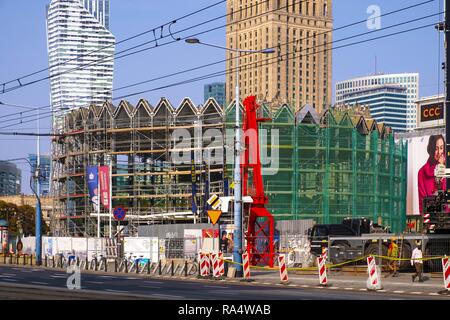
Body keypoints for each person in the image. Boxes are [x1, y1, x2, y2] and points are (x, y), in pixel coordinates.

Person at [418, 135, 446, 214]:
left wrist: (441, 167)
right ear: (431, 149)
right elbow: (422, 202)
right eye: (436, 148)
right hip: (431, 218)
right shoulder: (422, 172)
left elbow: (445, 193)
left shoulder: (447, 169)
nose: (439, 152)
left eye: (441, 148)